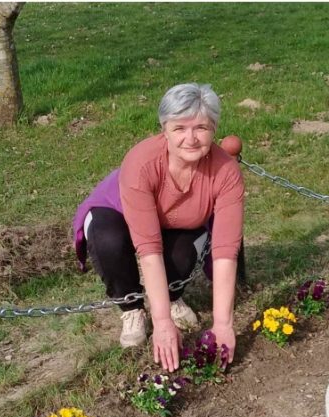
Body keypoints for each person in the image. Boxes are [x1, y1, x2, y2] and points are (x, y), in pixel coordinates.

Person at [72, 83, 244, 372]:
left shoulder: (226, 172)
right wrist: (162, 324)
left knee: (186, 250)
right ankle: (132, 308)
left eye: (201, 127)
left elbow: (226, 251)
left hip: (178, 221)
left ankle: (171, 297)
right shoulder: (142, 163)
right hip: (117, 212)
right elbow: (148, 251)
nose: (190, 138)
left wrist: (223, 325)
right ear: (164, 129)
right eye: (179, 128)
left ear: (214, 129)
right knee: (108, 240)